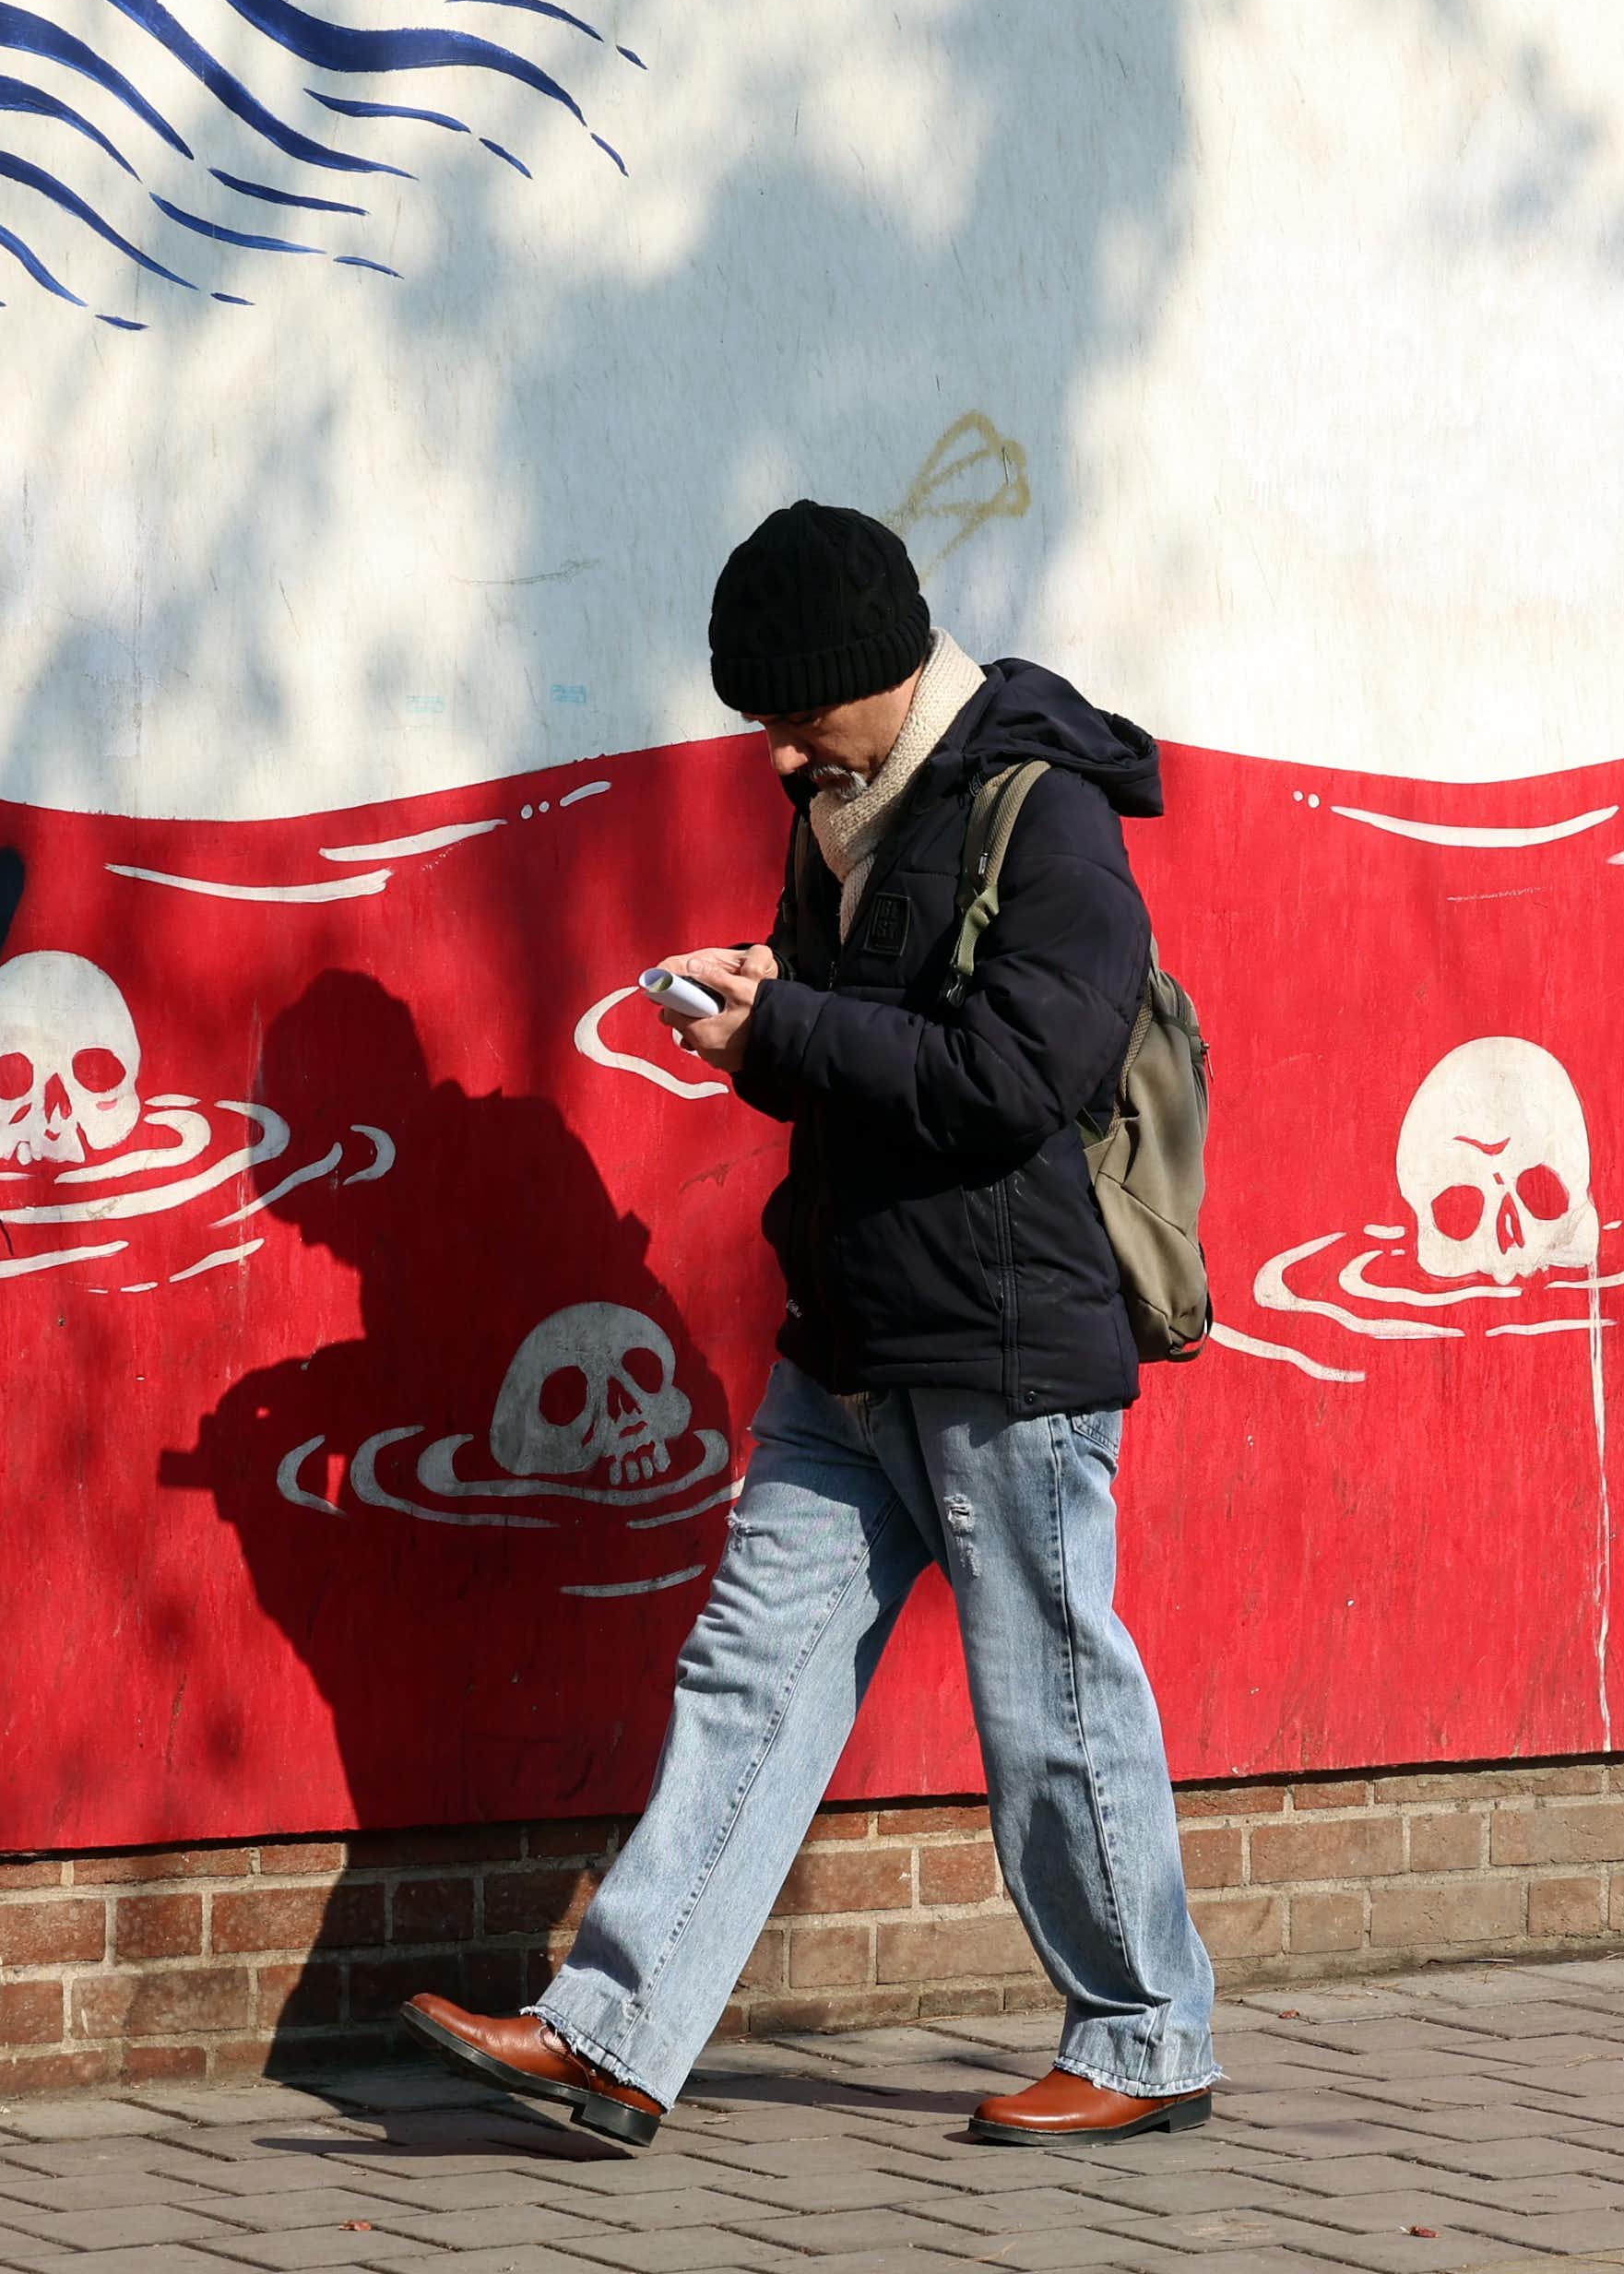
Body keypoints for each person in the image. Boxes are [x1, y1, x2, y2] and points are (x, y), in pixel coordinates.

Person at [402, 499, 1220, 2148]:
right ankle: (618, 2032)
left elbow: (1010, 1083)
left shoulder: (1045, 821)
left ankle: (1145, 2039)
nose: (775, 753)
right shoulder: (850, 812)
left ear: (871, 674)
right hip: (849, 1341)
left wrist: (788, 1033)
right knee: (746, 1684)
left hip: (1000, 1353)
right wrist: (762, 994)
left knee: (1051, 1711)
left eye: (791, 713)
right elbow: (877, 1031)